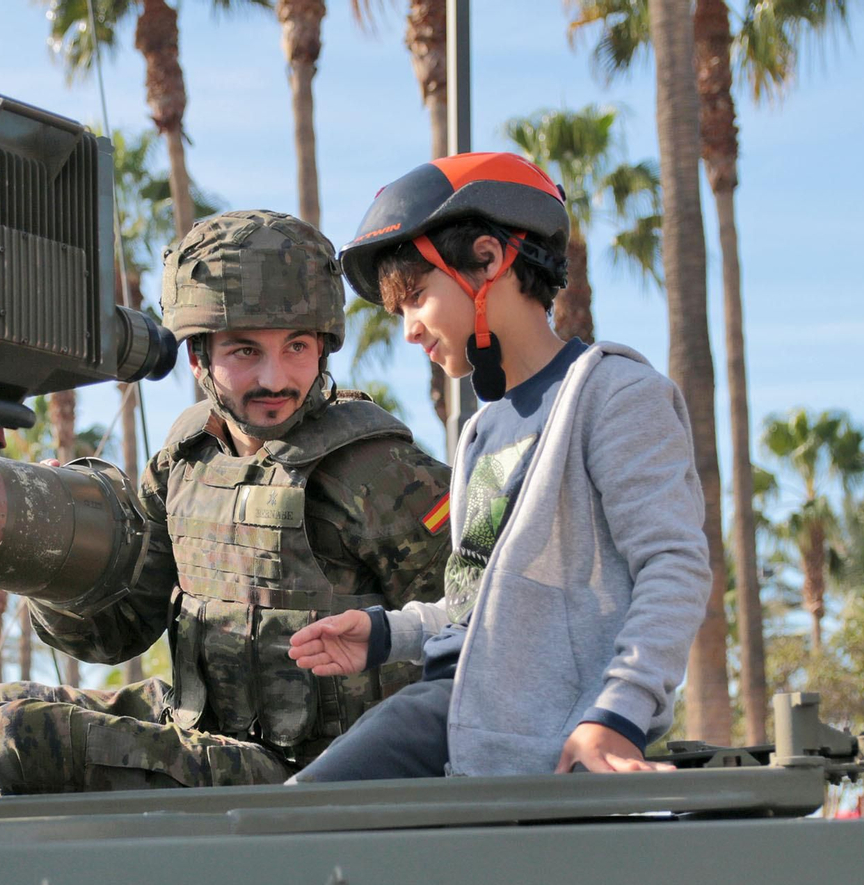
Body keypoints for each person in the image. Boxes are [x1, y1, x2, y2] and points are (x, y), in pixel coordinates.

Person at [0, 210, 450, 799]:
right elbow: (120, 631)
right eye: (244, 351)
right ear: (200, 356)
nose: (275, 379)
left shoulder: (377, 470)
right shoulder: (185, 458)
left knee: (23, 739)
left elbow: (480, 620)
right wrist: (46, 557)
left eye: (297, 347)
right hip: (204, 731)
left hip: (318, 774)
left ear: (323, 346)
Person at [287, 153, 711, 781]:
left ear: (488, 260)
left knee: (282, 829)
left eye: (416, 298)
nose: (407, 331)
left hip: (527, 728)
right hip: (456, 713)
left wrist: (617, 716)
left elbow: (674, 565)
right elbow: (475, 600)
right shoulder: (485, 431)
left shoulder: (614, 394)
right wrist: (385, 634)